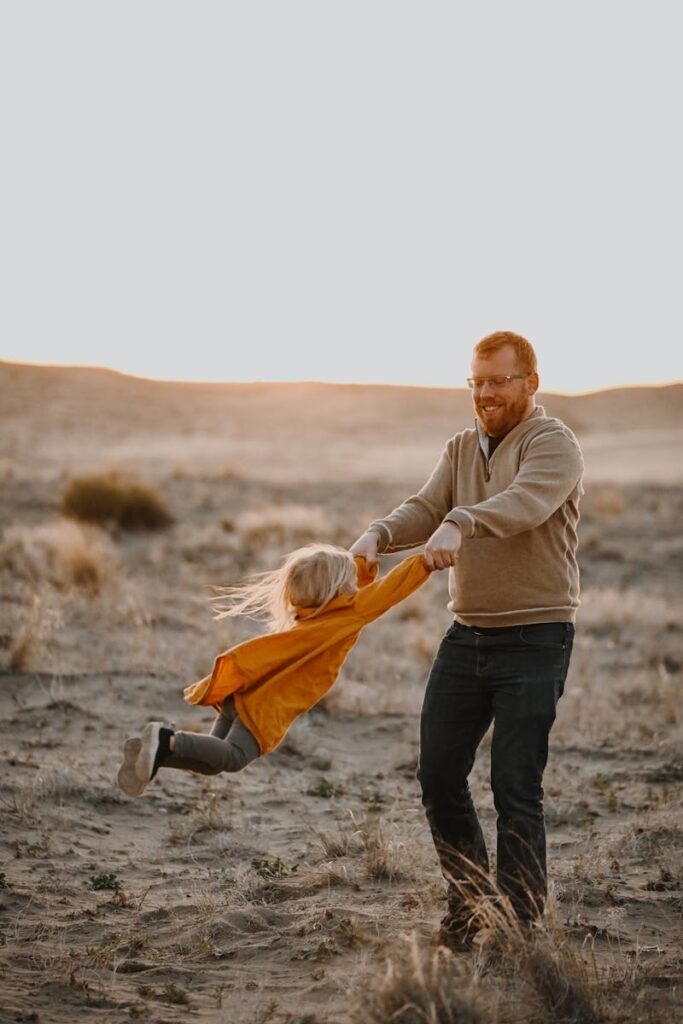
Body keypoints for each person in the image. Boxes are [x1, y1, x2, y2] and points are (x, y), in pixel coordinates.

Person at [351, 331, 583, 947]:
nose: (484, 393)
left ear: (530, 383)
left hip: (536, 638)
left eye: (498, 381)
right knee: (438, 775)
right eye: (476, 381)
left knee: (514, 785)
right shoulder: (459, 448)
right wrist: (378, 534)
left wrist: (463, 520)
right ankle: (473, 903)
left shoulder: (554, 444)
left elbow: (523, 504)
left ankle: (522, 926)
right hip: (468, 636)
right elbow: (428, 506)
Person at [117, 543, 431, 797]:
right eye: (351, 580)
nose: (356, 586)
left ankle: (156, 753)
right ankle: (167, 739)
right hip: (266, 705)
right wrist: (426, 562)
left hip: (242, 697)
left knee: (214, 763)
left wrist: (362, 561)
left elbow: (358, 592)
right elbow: (389, 591)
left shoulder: (312, 613)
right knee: (234, 757)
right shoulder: (346, 615)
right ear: (339, 589)